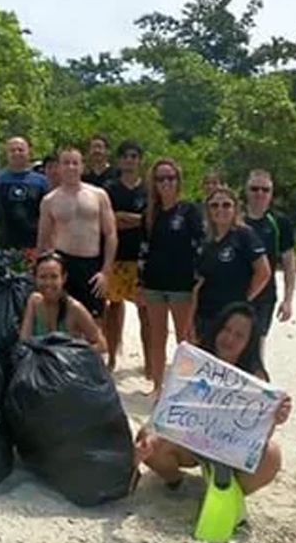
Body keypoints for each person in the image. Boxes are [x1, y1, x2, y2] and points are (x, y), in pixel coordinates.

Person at [134, 302, 292, 495]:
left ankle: (226, 494)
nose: (229, 338)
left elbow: (258, 438)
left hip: (229, 451)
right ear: (217, 330)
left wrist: (275, 418)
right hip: (189, 441)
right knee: (146, 437)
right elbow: (166, 409)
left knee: (272, 456)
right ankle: (175, 480)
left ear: (248, 343)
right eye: (226, 329)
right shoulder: (195, 361)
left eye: (239, 335)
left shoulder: (257, 378)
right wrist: (150, 437)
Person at [139, 158, 204, 392]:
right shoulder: (150, 213)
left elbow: (200, 247)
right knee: (157, 338)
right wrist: (140, 283)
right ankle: (158, 387)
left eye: (170, 178)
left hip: (182, 285)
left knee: (184, 341)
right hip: (154, 284)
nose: (165, 182)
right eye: (160, 179)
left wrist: (199, 280)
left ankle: (186, 389)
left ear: (178, 181)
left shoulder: (189, 211)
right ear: (153, 183)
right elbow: (144, 250)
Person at [37, 147, 117, 321]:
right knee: (62, 319)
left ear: (82, 167)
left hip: (91, 265)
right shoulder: (49, 200)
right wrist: (42, 273)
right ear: (59, 167)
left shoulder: (99, 195)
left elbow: (110, 234)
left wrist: (106, 271)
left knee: (95, 322)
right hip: (63, 264)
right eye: (66, 163)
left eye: (75, 163)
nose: (71, 167)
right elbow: (43, 241)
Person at [193, 187, 271, 344]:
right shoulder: (206, 242)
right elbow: (198, 284)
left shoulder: (244, 235)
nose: (220, 209)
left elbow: (263, 272)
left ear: (235, 208)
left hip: (230, 318)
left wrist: (243, 300)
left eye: (226, 205)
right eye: (214, 205)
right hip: (205, 315)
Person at [104, 141, 150, 373]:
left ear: (140, 160)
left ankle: (150, 364)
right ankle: (112, 357)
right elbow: (108, 220)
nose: (130, 160)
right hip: (116, 256)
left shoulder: (149, 189)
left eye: (134, 156)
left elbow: (150, 221)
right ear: (120, 160)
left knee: (145, 311)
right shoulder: (110, 188)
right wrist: (134, 219)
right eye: (126, 156)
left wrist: (124, 218)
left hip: (142, 258)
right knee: (113, 306)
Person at [242, 169, 296, 364]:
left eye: (265, 190)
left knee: (255, 348)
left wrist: (288, 300)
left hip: (264, 297)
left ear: (271, 194)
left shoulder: (280, 223)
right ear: (246, 190)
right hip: (232, 292)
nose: (259, 194)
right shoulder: (234, 218)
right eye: (254, 188)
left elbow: (289, 263)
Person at [18, 252, 107, 352]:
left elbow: (102, 345)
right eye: (43, 277)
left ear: (63, 278)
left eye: (54, 277)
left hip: (68, 364)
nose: (48, 283)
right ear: (35, 278)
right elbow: (24, 341)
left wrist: (73, 353)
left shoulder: (74, 308)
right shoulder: (34, 301)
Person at [0, 136, 49, 258]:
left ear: (29, 152)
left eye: (20, 149)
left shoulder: (42, 182)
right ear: (6, 154)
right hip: (2, 246)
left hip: (33, 247)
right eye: (12, 150)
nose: (16, 153)